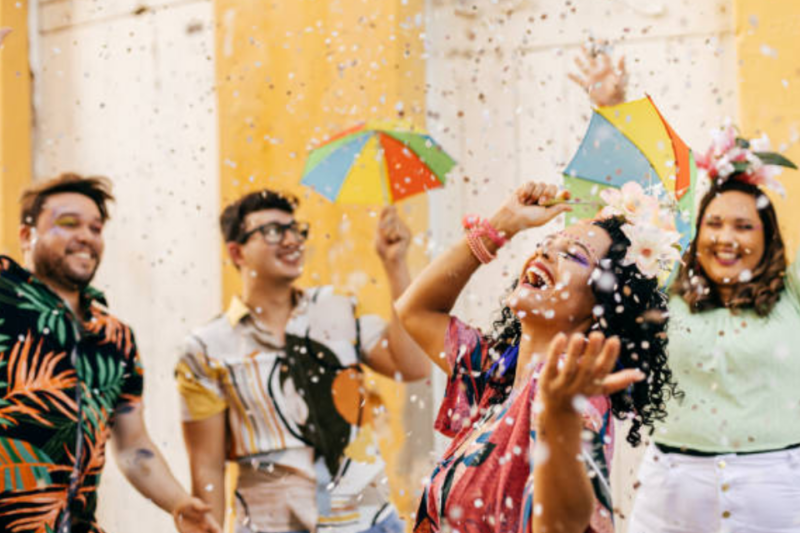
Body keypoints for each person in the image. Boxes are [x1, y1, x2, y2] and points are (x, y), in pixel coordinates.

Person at [396, 180, 681, 533]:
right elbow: (415, 311)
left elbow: (563, 525)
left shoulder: (574, 393)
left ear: (601, 309)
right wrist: (503, 224)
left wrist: (559, 421)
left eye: (573, 255)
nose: (545, 254)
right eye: (548, 244)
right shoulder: (496, 375)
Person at [176, 190, 431, 533]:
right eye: (272, 231)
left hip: (366, 524)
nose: (291, 240)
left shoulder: (335, 308)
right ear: (236, 252)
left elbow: (412, 365)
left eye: (296, 230)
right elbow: (206, 465)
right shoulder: (206, 348)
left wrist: (395, 263)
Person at [0, 173, 220, 533]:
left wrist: (178, 503)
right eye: (68, 223)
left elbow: (133, 446)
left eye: (96, 228)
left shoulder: (115, 337)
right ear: (27, 236)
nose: (86, 236)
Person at [625, 128, 800, 532]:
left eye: (744, 226)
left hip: (776, 491)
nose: (725, 238)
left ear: (768, 236)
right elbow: (634, 207)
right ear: (697, 231)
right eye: (714, 223)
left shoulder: (791, 292)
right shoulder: (667, 286)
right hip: (670, 493)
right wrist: (615, 102)